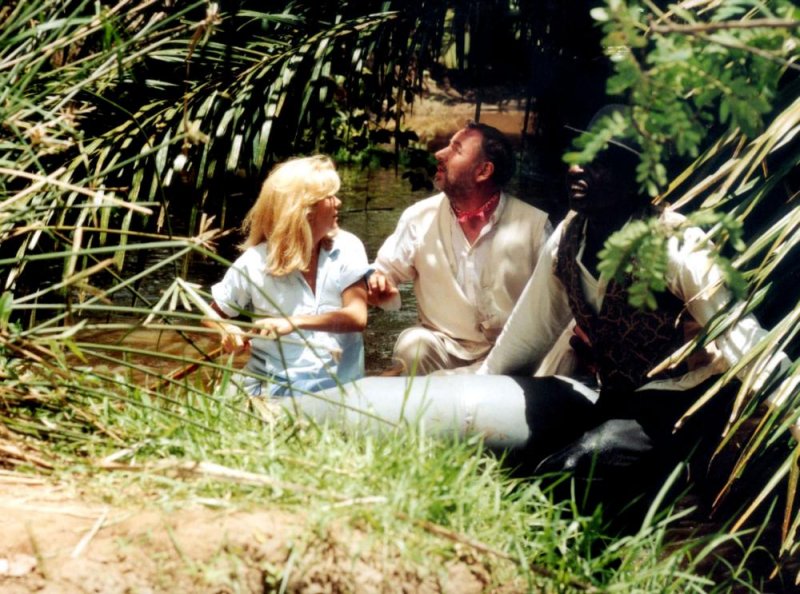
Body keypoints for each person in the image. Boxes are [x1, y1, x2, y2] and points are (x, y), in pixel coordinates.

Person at [479, 105, 789, 508]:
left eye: (599, 161)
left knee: (575, 467)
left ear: (633, 180)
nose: (577, 169)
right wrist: (477, 398)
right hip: (618, 398)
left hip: (684, 405)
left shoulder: (677, 246)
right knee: (532, 463)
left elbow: (745, 342)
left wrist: (793, 415)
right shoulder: (568, 238)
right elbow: (527, 335)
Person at [367, 122, 552, 374]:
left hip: (512, 354)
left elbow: (554, 302)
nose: (439, 154)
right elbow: (384, 271)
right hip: (445, 348)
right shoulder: (418, 216)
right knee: (413, 345)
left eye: (456, 149)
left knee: (560, 350)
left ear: (483, 171)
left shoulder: (535, 226)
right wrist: (378, 280)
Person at [207, 155, 370, 396]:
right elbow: (211, 314)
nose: (338, 202)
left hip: (340, 388)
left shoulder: (348, 247)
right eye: (329, 196)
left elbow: (357, 317)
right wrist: (227, 330)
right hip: (272, 387)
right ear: (305, 209)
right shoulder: (255, 261)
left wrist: (293, 322)